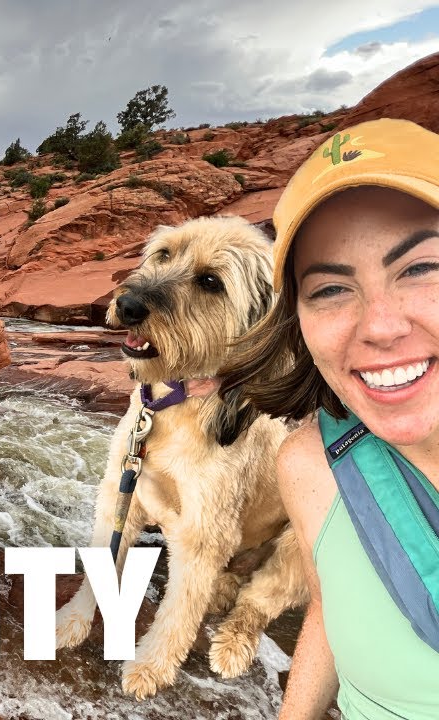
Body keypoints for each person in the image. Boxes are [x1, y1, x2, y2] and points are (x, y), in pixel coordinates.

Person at [223, 118, 439, 719]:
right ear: (297, 321)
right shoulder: (311, 463)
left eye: (421, 267)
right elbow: (332, 605)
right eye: (330, 289)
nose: (381, 326)